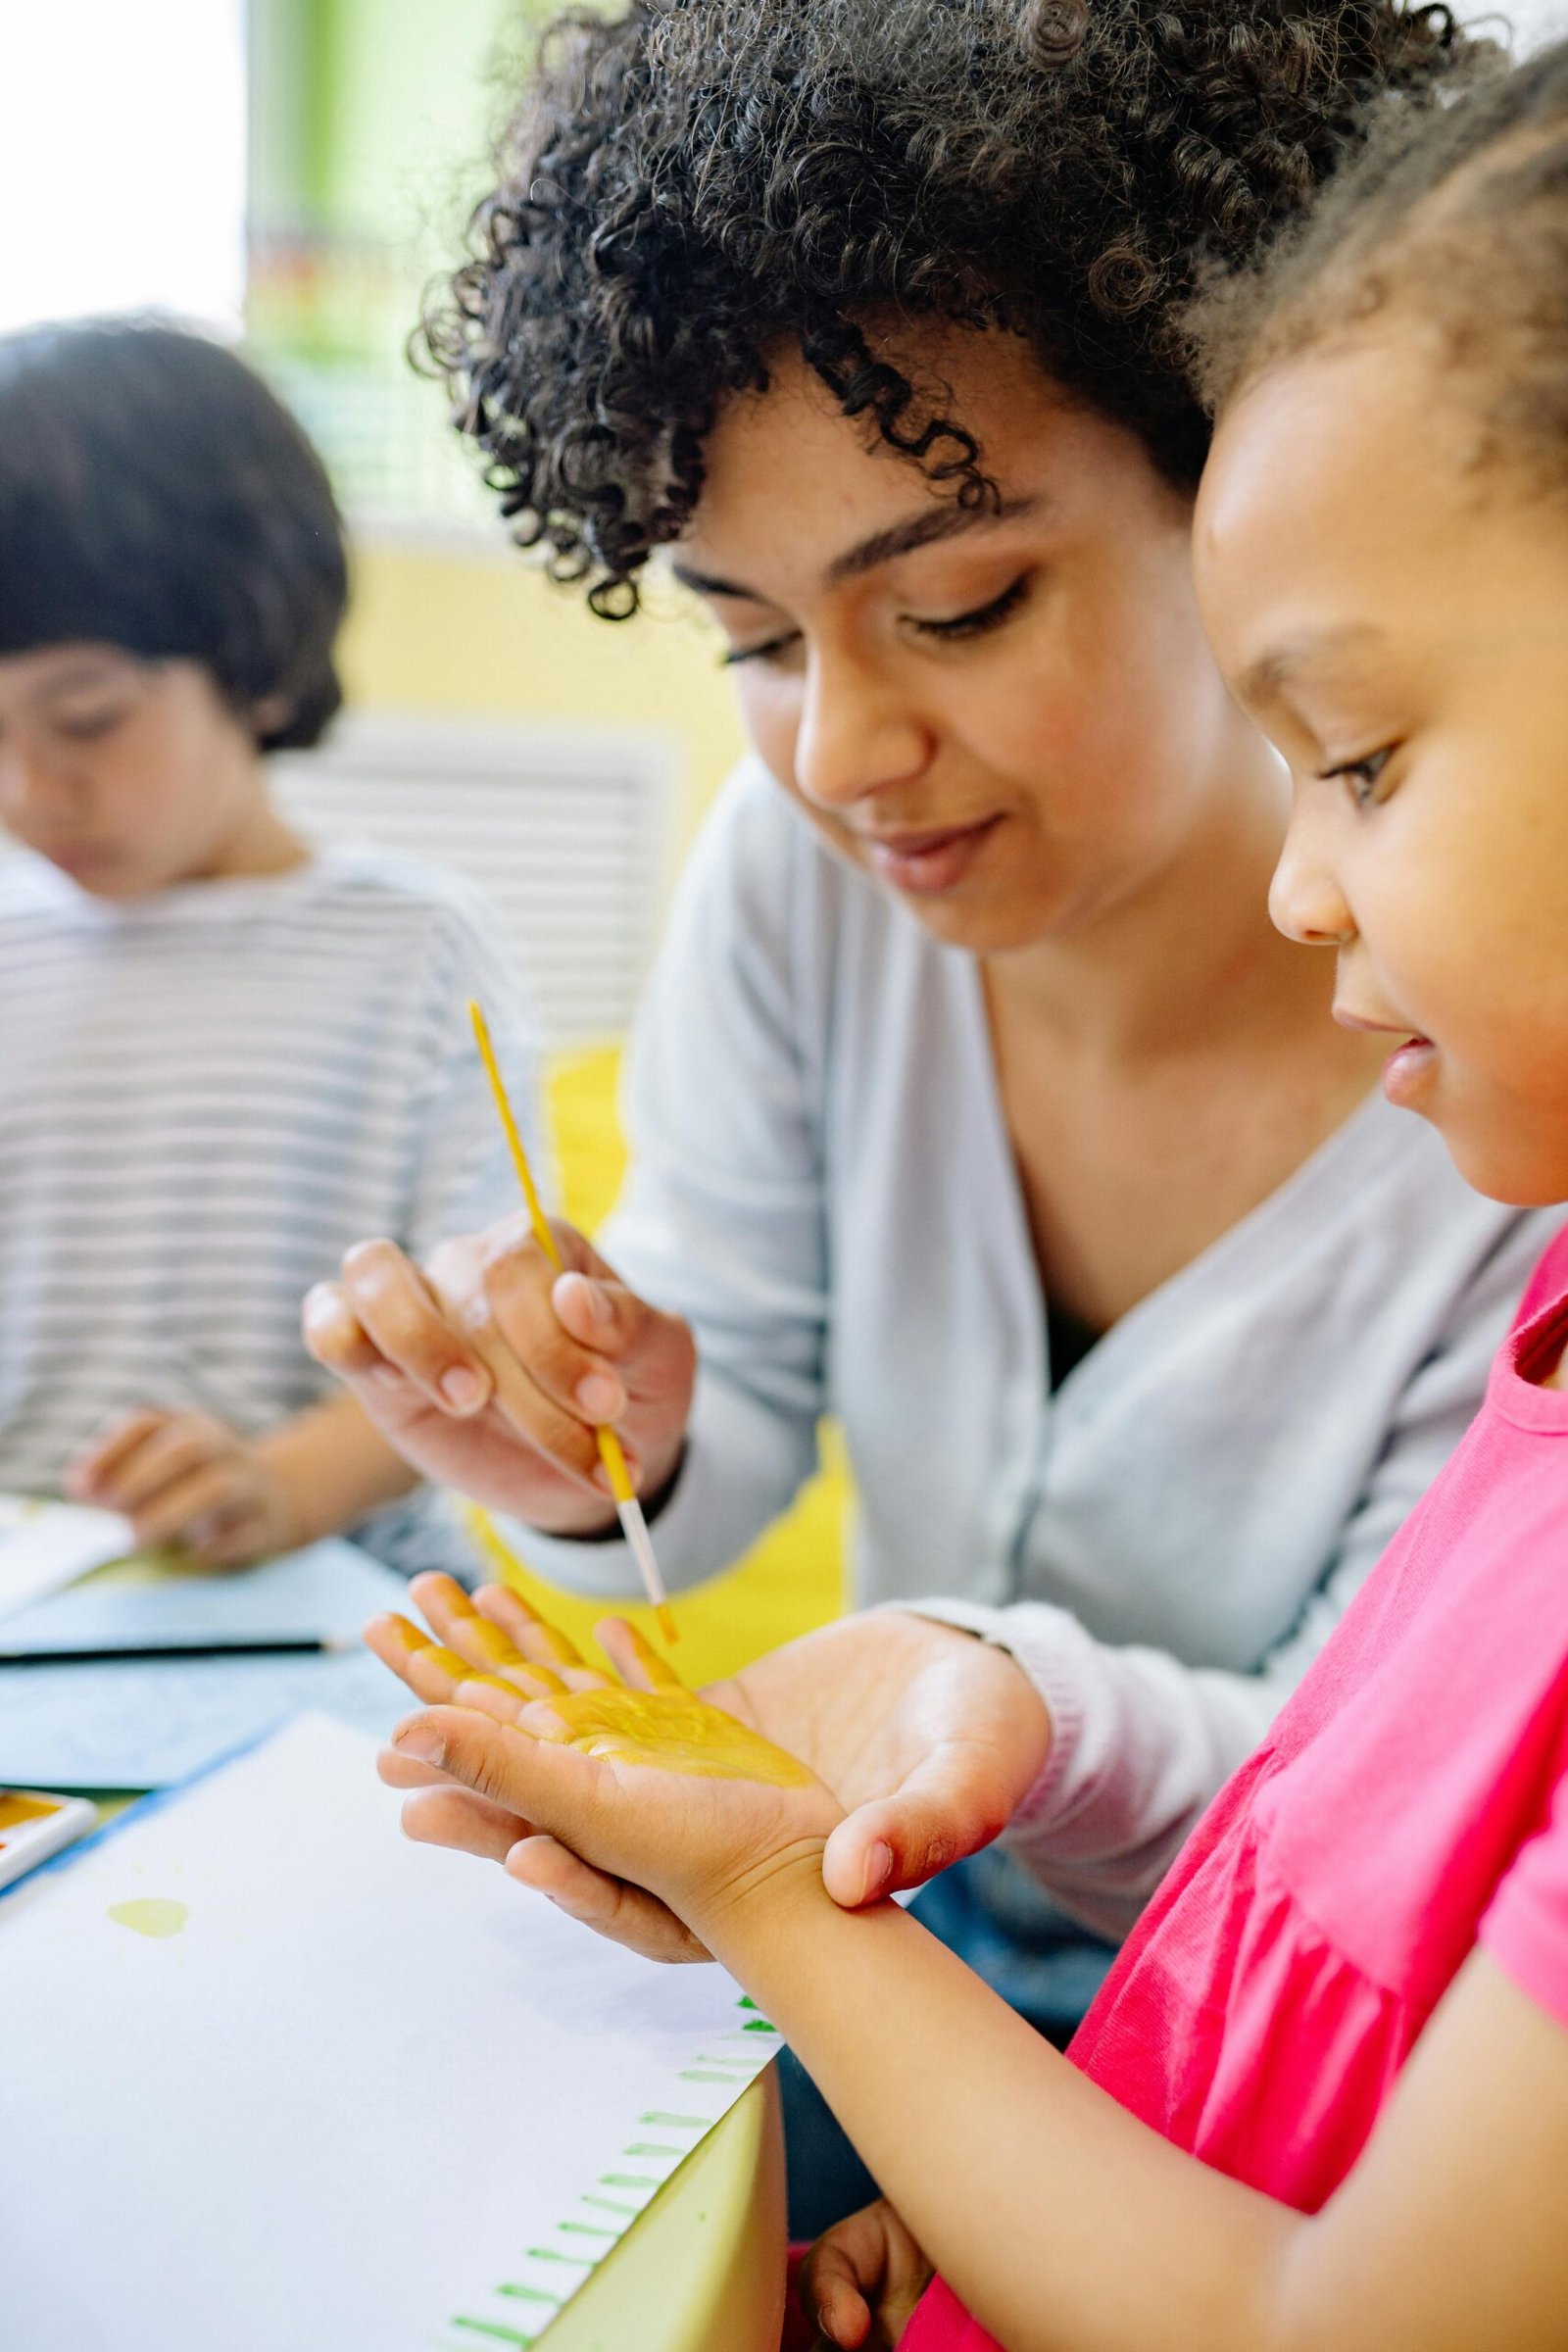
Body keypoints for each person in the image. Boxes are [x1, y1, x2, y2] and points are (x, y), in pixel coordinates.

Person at [301, 0, 1545, 2228]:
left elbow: (1370, 1821)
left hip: (1291, 2022)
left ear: (1244, 484)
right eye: (751, 639)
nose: (838, 752)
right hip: (892, 1907)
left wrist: (983, 1699)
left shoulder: (1507, 1063)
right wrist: (623, 1429)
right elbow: (733, 1389)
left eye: (955, 604)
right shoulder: (800, 878)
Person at [0, 318, 540, 1577]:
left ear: (256, 664)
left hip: (331, 1595)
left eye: (85, 719)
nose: (28, 789)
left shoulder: (417, 952)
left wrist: (279, 1486)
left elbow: (490, 1323)